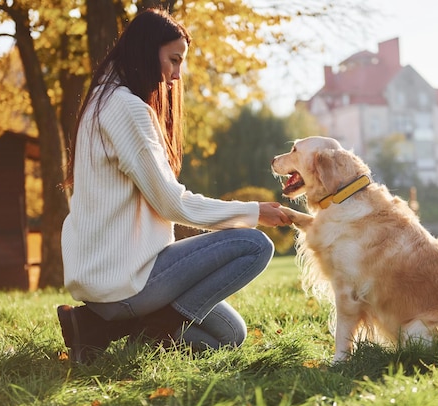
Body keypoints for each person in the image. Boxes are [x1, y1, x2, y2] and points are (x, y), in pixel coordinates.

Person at [57, 8, 291, 364]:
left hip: (109, 277)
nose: (177, 75)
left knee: (229, 336)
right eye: (174, 60)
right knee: (253, 243)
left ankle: (114, 325)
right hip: (125, 279)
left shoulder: (99, 101)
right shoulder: (126, 108)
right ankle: (106, 327)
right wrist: (254, 211)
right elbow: (172, 204)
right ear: (147, 51)